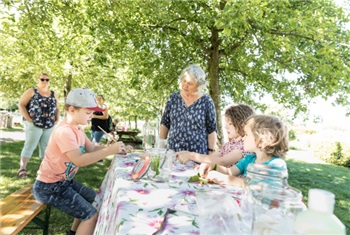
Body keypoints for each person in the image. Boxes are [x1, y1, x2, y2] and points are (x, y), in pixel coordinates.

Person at [32, 88, 132, 235]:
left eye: (92, 112)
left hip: (64, 182)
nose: (92, 116)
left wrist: (113, 147)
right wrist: (110, 151)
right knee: (91, 216)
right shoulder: (64, 131)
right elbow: (79, 160)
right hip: (48, 186)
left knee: (96, 201)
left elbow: (91, 148)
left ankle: (73, 232)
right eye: (88, 112)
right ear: (72, 109)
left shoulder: (77, 128)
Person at [198, 114, 289, 187]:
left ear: (262, 140)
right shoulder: (249, 159)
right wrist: (212, 166)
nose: (242, 138)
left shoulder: (276, 164)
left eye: (246, 134)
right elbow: (229, 172)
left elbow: (259, 186)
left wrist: (224, 179)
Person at [160, 64, 217, 154]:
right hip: (174, 153)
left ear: (198, 85)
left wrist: (211, 152)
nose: (185, 85)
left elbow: (211, 130)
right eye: (184, 81)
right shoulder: (173, 98)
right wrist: (161, 147)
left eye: (190, 83)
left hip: (197, 155)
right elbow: (165, 123)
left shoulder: (206, 101)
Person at [176, 104, 254, 167]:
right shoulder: (229, 145)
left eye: (230, 124)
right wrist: (187, 153)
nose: (226, 127)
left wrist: (191, 155)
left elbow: (222, 161)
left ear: (242, 124)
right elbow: (212, 157)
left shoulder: (244, 146)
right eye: (226, 123)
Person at [17, 73, 60, 178]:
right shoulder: (32, 91)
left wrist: (57, 118)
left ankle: (45, 170)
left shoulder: (53, 93)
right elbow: (21, 104)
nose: (45, 81)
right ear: (38, 80)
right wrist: (28, 118)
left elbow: (57, 107)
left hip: (49, 125)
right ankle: (22, 169)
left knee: (46, 147)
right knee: (30, 145)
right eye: (42, 79)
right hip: (34, 124)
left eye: (47, 80)